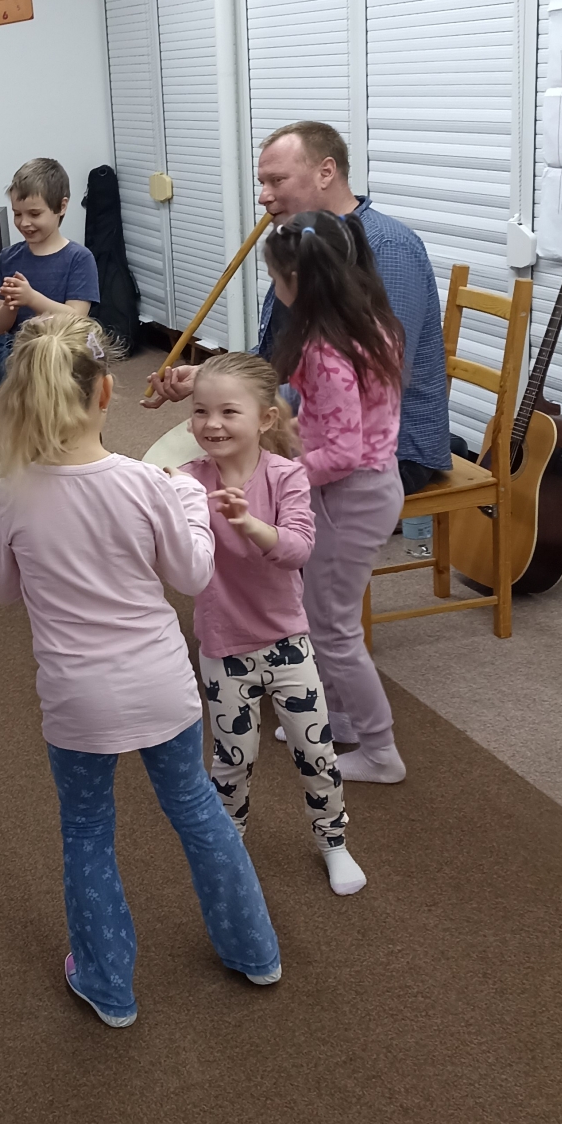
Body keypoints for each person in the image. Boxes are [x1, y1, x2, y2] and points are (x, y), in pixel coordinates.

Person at [0, 315, 282, 1029]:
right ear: (106, 393)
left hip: (76, 701)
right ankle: (254, 953)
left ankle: (107, 986)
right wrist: (191, 505)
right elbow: (192, 574)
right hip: (161, 687)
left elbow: (0, 590)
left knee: (87, 830)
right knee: (196, 809)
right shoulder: (148, 483)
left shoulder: (9, 491)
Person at [144, 123, 451, 529]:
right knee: (180, 473)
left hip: (383, 451)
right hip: (309, 424)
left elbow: (373, 378)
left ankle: (275, 562)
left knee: (216, 496)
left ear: (326, 172)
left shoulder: (384, 248)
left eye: (277, 180)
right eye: (262, 182)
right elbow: (276, 356)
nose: (264, 196)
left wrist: (244, 400)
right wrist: (211, 376)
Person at [178, 356, 365, 897]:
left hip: (288, 645)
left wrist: (248, 523)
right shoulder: (188, 480)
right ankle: (228, 847)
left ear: (264, 419)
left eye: (228, 411)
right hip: (223, 646)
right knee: (232, 761)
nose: (212, 423)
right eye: (200, 411)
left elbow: (298, 549)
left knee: (317, 753)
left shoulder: (286, 475)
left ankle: (333, 841)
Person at [260, 212, 406, 785]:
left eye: (276, 278)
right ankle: (340, 716)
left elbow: (343, 453)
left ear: (299, 280)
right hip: (367, 488)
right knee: (324, 613)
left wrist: (284, 472)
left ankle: (380, 751)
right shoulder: (371, 323)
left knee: (332, 627)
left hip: (352, 495)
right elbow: (346, 425)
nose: (275, 288)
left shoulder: (324, 351)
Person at [0, 159, 100, 380]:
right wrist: (10, 305)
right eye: (17, 214)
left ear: (62, 206)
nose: (24, 223)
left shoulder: (79, 258)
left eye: (34, 214)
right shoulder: (7, 258)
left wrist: (31, 298)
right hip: (18, 350)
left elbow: (77, 319)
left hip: (62, 347)